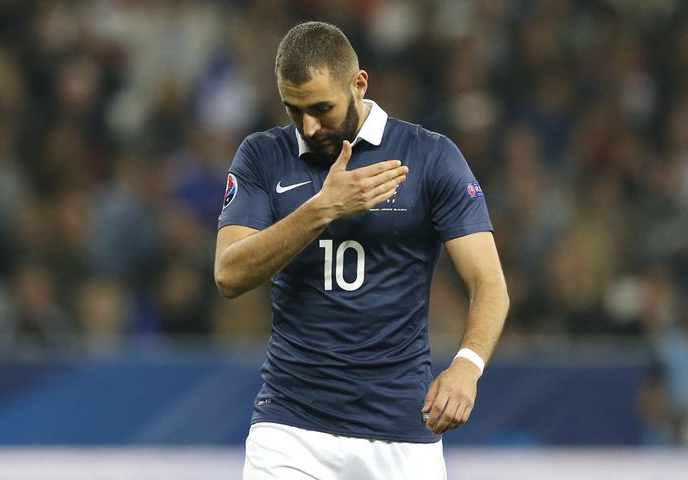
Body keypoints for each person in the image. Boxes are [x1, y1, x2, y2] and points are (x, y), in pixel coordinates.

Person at [214, 21, 509, 480]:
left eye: (321, 108)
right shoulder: (261, 156)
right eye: (293, 110)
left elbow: (489, 282)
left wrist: (467, 367)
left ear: (359, 84)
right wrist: (322, 209)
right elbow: (229, 273)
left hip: (402, 433)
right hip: (291, 430)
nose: (309, 127)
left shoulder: (430, 156)